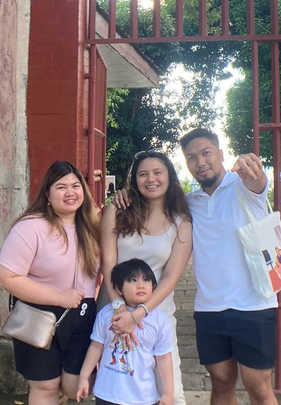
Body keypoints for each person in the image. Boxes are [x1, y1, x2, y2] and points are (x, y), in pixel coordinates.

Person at [114, 129, 279, 405]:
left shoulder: (244, 188)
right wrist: (125, 194)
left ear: (220, 154)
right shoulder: (189, 203)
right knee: (221, 383)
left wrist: (251, 165)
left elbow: (257, 180)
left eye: (206, 153)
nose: (200, 162)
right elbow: (155, 200)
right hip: (209, 309)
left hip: (254, 305)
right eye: (191, 157)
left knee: (258, 387)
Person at [0, 161, 101, 405]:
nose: (70, 192)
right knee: (45, 385)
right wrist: (58, 297)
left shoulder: (93, 226)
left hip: (83, 316)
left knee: (78, 387)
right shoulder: (31, 227)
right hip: (39, 314)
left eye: (76, 186)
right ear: (47, 194)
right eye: (61, 187)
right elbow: (6, 277)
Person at [99, 150, 192, 405]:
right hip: (115, 309)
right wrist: (120, 308)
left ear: (169, 177)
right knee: (119, 384)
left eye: (157, 172)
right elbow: (108, 262)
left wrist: (138, 314)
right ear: (135, 180)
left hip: (156, 313)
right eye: (143, 174)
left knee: (169, 390)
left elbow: (171, 277)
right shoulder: (117, 211)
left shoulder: (181, 222)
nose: (151, 179)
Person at [77, 258, 174, 405]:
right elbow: (96, 346)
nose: (141, 285)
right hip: (106, 393)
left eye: (146, 280)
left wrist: (168, 392)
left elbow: (164, 358)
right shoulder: (107, 314)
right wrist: (84, 377)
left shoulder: (159, 320)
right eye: (133, 280)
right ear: (119, 289)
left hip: (143, 397)